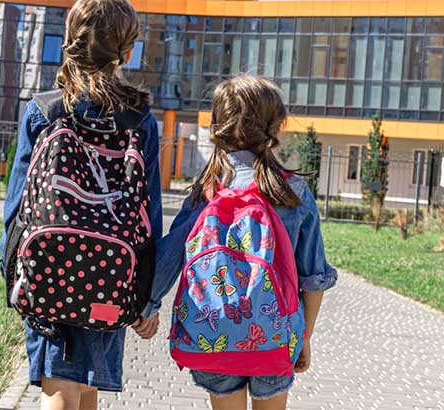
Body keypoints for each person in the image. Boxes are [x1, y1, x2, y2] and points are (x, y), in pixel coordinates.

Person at [0, 0, 162, 409]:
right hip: (112, 274)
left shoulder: (44, 110)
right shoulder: (138, 120)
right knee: (87, 385)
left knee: (60, 383)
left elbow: (18, 204)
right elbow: (150, 213)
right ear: (126, 52)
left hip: (49, 266)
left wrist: (11, 270)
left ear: (72, 40)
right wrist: (148, 293)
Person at [143, 76, 338, 410]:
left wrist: (146, 308)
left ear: (217, 127)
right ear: (278, 127)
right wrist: (303, 337)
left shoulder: (205, 191)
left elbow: (171, 255)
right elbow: (313, 277)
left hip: (213, 334)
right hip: (275, 336)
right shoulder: (293, 193)